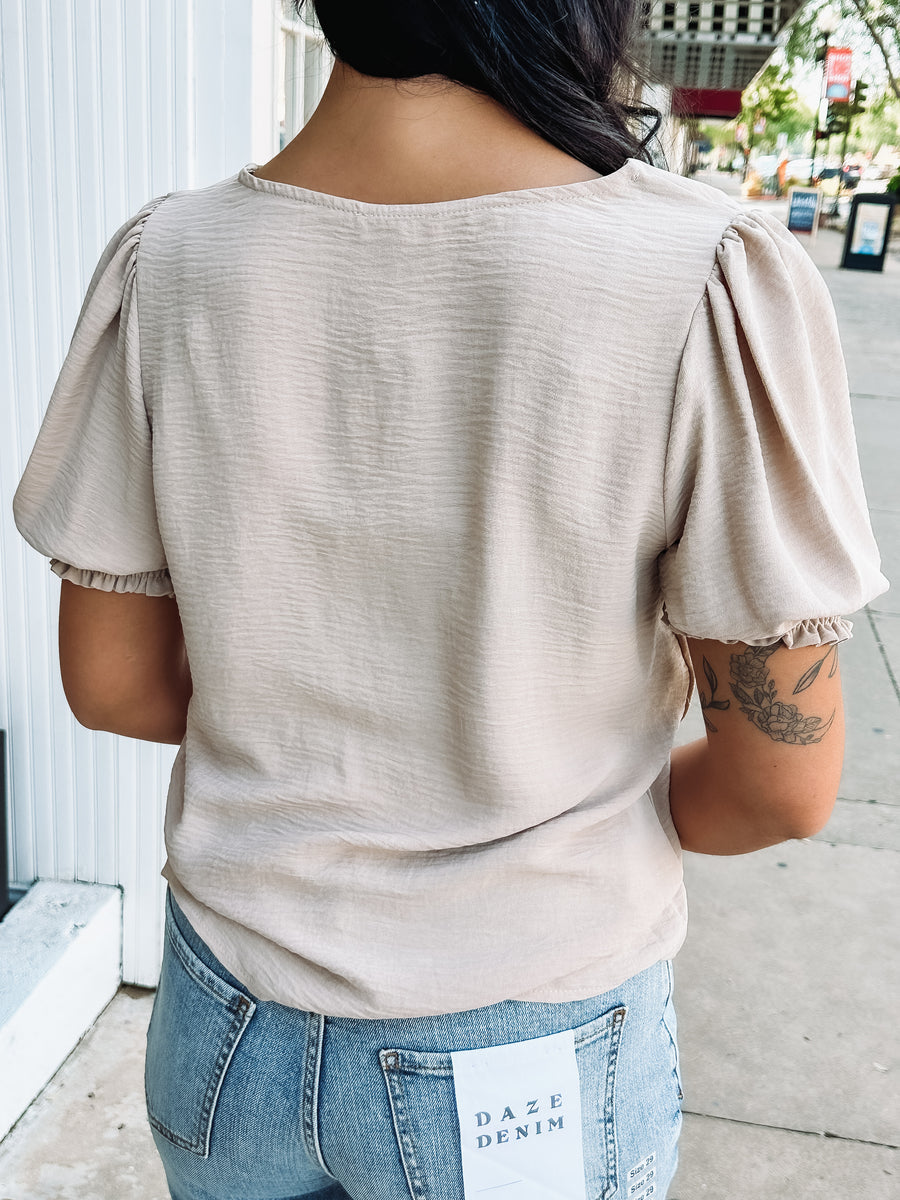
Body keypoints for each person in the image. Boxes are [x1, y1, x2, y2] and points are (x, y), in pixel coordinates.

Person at [12, 1, 888, 1198]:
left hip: (225, 1018)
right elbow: (780, 783)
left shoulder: (168, 261)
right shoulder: (696, 275)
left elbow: (112, 684)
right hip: (527, 1041)